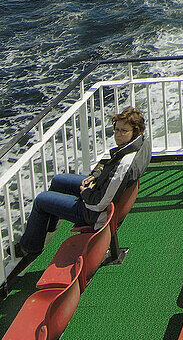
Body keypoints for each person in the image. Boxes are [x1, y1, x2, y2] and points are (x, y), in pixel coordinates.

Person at [16, 106, 151, 257]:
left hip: (94, 214)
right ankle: (47, 227)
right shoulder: (140, 144)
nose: (118, 135)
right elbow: (112, 173)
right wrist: (98, 175)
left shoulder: (125, 164)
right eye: (116, 130)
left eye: (123, 131)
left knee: (41, 200)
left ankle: (29, 247)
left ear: (135, 132)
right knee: (58, 181)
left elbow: (100, 203)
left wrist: (86, 193)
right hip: (101, 191)